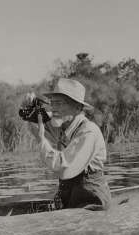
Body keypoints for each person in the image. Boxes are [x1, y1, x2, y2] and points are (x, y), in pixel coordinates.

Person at [27, 78, 111, 210]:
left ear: (77, 107)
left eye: (59, 103)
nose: (53, 108)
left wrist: (42, 139)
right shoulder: (63, 123)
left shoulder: (88, 131)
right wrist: (29, 107)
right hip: (71, 198)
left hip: (92, 201)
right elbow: (34, 121)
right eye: (52, 103)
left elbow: (64, 169)